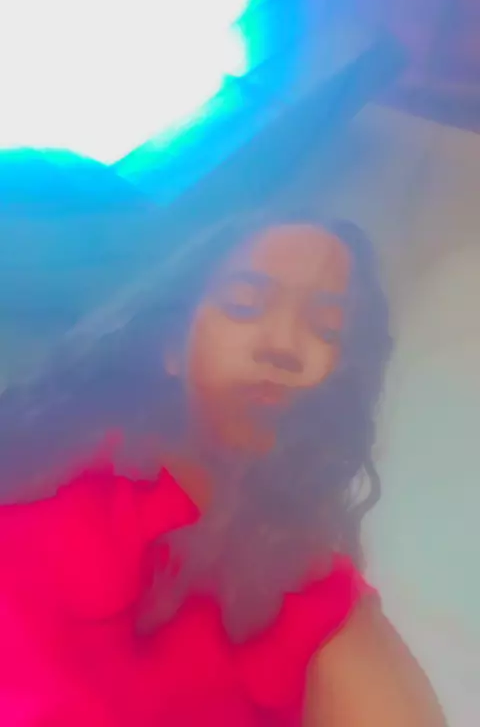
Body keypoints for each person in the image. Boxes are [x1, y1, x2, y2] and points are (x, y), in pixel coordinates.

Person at [0, 209, 446, 725]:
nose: (282, 346)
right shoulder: (36, 472)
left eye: (326, 330)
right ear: (172, 347)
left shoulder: (311, 591)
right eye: (243, 305)